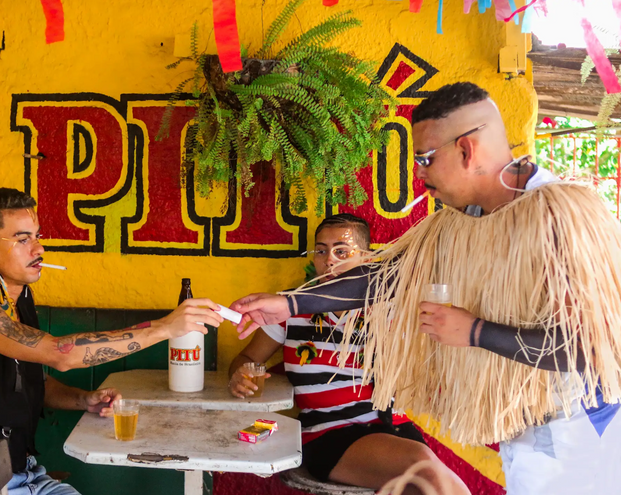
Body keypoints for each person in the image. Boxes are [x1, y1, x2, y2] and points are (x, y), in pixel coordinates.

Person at [230, 82, 621, 495]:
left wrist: (474, 332)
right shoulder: (460, 223)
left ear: (467, 151)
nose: (419, 172)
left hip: (583, 436)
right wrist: (290, 303)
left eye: (425, 158)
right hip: (528, 434)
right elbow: (384, 277)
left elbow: (589, 347)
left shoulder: (558, 218)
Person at [0, 188, 224, 495]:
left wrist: (83, 399)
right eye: (22, 239)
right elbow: (60, 354)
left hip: (28, 473)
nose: (39, 248)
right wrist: (164, 327)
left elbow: (33, 379)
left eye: (37, 236)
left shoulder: (19, 298)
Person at [228, 214, 469, 494]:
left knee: (438, 485)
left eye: (341, 251)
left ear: (366, 259)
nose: (329, 260)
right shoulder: (288, 308)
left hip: (393, 427)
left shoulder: (390, 309)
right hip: (328, 431)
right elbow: (246, 359)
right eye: (321, 250)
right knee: (426, 472)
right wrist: (240, 374)